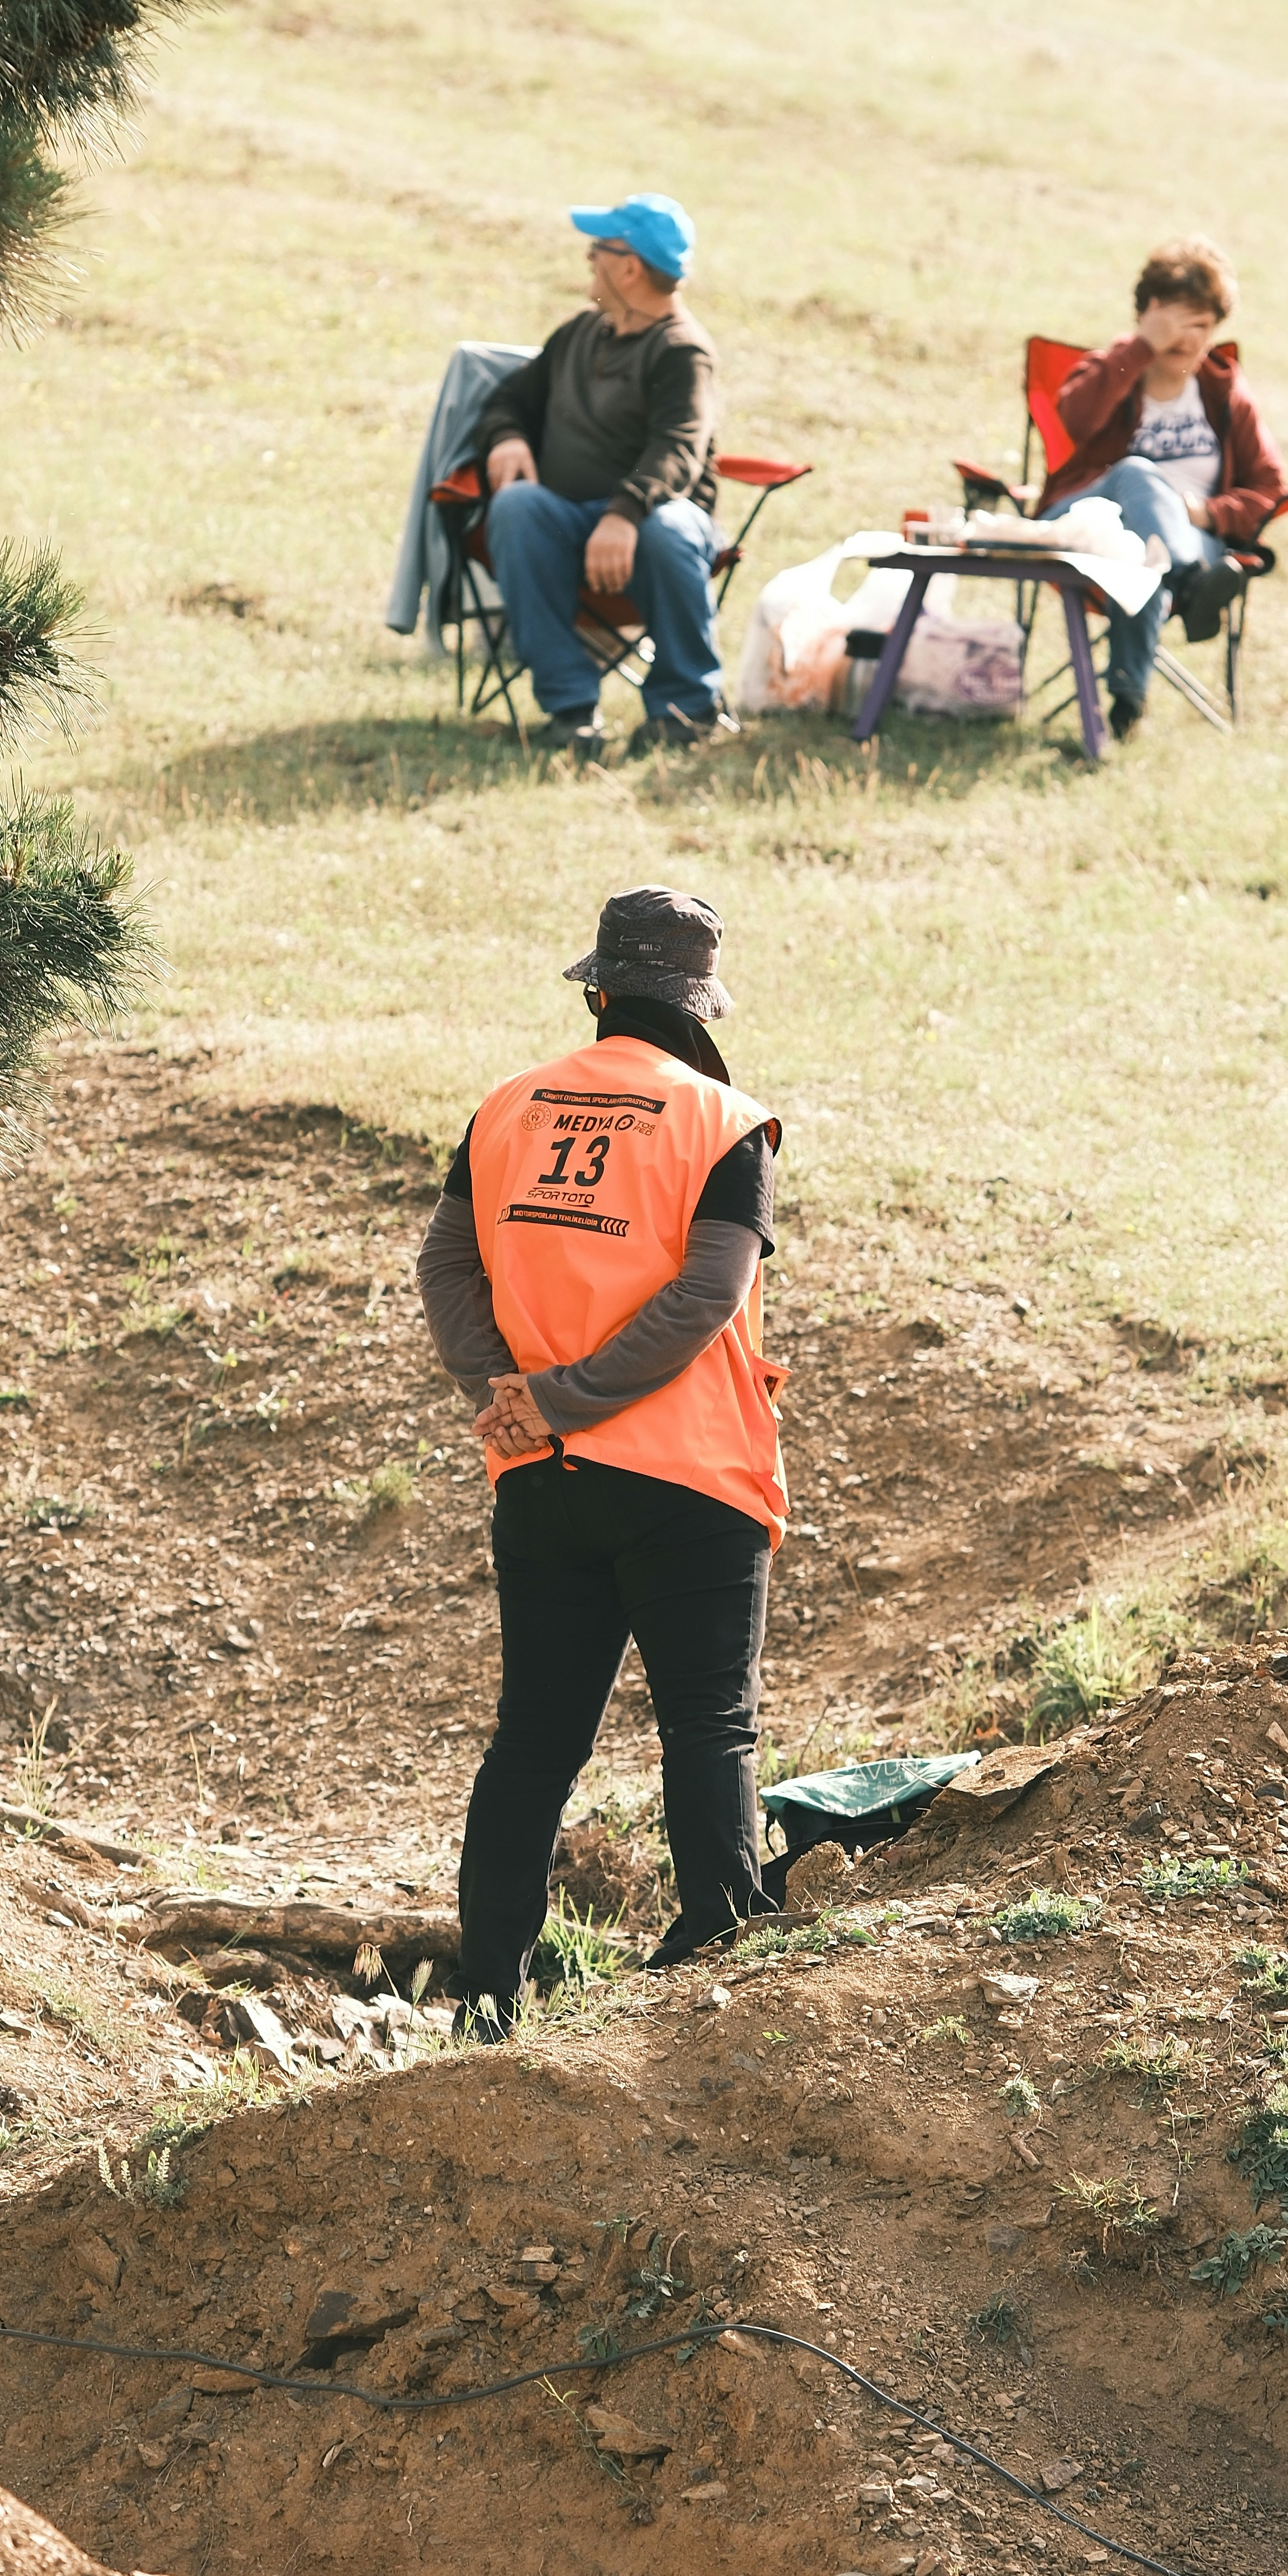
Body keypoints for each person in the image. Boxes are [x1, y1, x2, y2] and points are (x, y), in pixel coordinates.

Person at [417, 888, 786, 2036]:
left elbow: (445, 1271)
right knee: (707, 1724)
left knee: (533, 1740)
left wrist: (512, 1405)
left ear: (597, 990)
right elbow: (706, 1298)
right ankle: (717, 1946)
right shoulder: (724, 1122)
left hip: (539, 1483)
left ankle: (487, 1993)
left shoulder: (507, 1109)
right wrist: (575, 1403)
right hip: (690, 1478)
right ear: (700, 1000)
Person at [474, 195, 735, 765]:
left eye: (598, 251)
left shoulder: (681, 352)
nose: (588, 261)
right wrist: (508, 437)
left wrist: (623, 513)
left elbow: (678, 450)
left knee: (667, 527)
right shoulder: (578, 334)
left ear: (629, 267)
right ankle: (570, 709)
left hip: (658, 529)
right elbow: (508, 402)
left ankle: (685, 710)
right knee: (517, 509)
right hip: (567, 523)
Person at [1036, 237, 1288, 740]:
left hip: (1182, 535)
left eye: (1201, 326)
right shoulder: (1114, 368)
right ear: (1148, 313)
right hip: (1088, 519)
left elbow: (1269, 485)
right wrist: (1140, 349)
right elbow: (1075, 417)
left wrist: (1208, 513)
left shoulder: (1221, 390)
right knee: (1136, 473)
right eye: (1175, 322)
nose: (1187, 339)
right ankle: (1192, 584)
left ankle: (1126, 705)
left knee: (1145, 561)